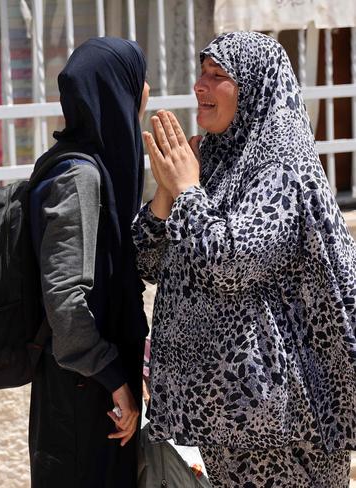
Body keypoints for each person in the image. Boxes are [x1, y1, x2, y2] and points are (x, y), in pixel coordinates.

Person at [133, 31, 356, 487]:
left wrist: (189, 191)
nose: (200, 85)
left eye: (218, 76)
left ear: (253, 90)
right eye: (202, 72)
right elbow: (146, 261)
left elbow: (230, 262)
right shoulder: (213, 159)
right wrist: (166, 192)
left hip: (281, 425)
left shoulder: (280, 170)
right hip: (228, 420)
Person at [28, 37, 150, 487]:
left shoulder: (77, 163)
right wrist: (115, 379)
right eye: (138, 80)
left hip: (86, 389)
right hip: (85, 396)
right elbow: (65, 299)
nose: (147, 90)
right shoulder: (79, 177)